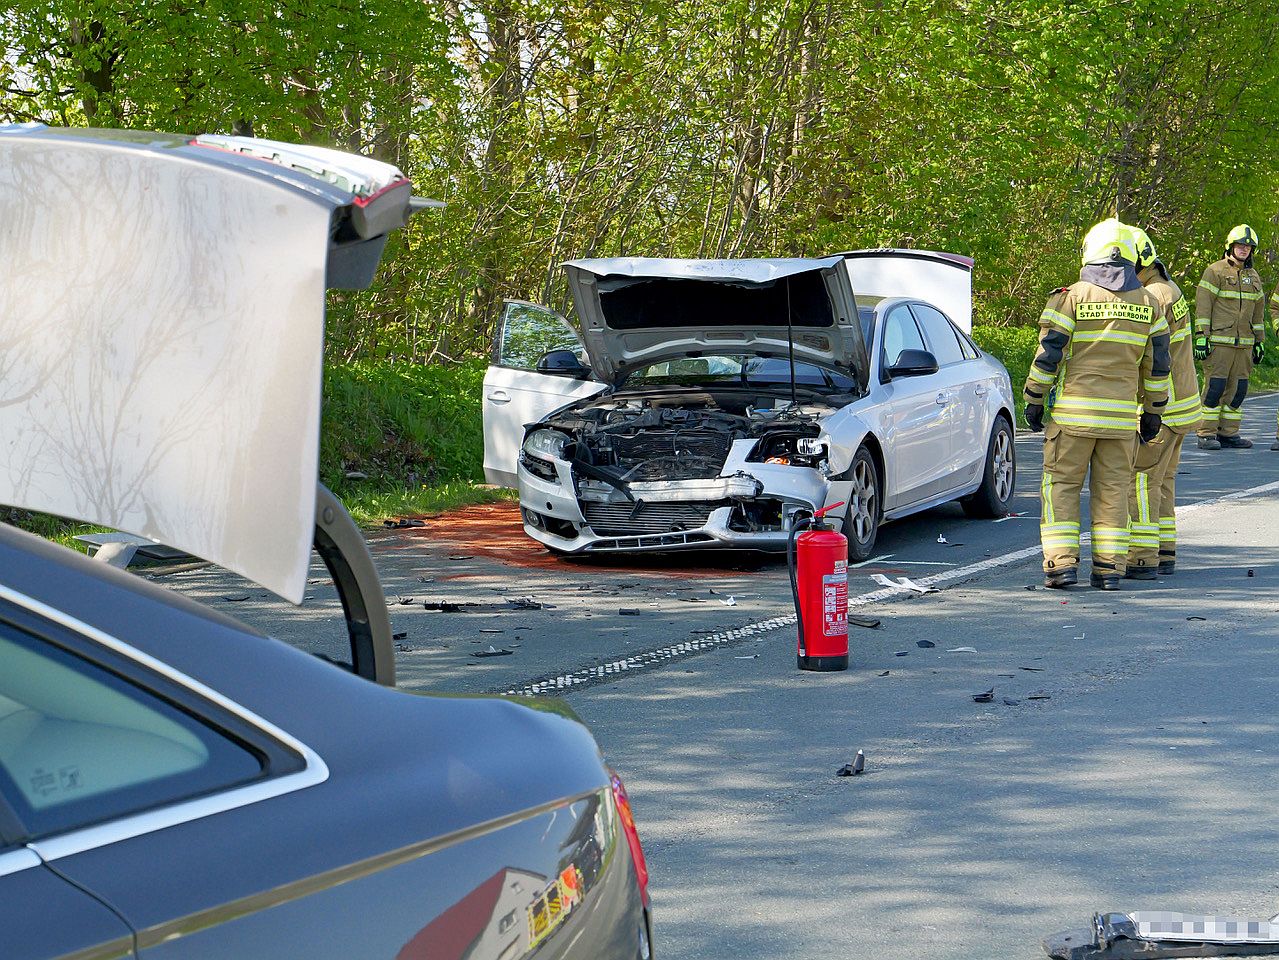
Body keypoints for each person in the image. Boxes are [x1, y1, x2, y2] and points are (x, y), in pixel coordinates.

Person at [1024, 219, 1170, 590]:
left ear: (1090, 252)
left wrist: (1034, 399)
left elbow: (1049, 356)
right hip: (1120, 423)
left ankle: (1060, 565)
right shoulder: (1149, 303)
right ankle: (1109, 570)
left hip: (1073, 419)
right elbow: (1158, 366)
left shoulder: (1071, 297)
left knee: (1061, 487)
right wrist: (1153, 412)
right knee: (1113, 494)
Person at [1125, 226, 1200, 577]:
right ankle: (1165, 551)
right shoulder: (1170, 288)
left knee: (1141, 481)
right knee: (1163, 481)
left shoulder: (1153, 296)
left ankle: (1142, 556)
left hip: (1163, 408)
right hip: (1182, 405)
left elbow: (1146, 354)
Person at [1194, 225, 1266, 449]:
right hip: (1219, 343)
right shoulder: (1215, 271)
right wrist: (1201, 336)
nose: (1244, 249)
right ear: (1230, 246)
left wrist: (1259, 341)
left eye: (1248, 247)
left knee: (1238, 391)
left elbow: (1258, 312)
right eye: (1240, 245)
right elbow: (1204, 305)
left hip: (1244, 345)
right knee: (1215, 389)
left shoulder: (1253, 276)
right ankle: (1206, 434)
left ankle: (1228, 433)